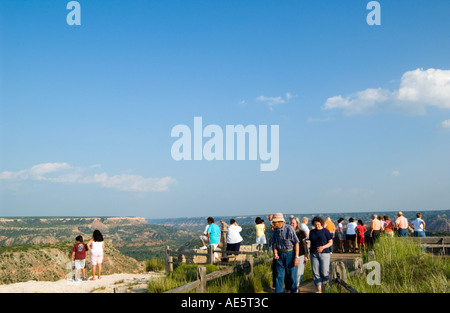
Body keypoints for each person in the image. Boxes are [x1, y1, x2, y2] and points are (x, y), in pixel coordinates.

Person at [271, 213, 300, 293]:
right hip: (280, 255)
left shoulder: (289, 228)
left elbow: (296, 243)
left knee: (292, 277)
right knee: (279, 277)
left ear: (279, 222)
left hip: (290, 254)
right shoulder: (275, 231)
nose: (273, 224)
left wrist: (296, 257)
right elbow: (274, 243)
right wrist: (275, 253)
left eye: (274, 222)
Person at [309, 216, 333, 293]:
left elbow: (330, 242)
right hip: (314, 254)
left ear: (321, 223)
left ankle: (326, 289)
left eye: (318, 224)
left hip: (324, 253)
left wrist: (323, 247)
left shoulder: (325, 231)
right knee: (315, 272)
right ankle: (319, 290)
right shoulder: (312, 232)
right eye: (315, 224)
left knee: (324, 272)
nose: (317, 226)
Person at [290, 217, 309, 289]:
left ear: (297, 224)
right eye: (291, 223)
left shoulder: (301, 232)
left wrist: (306, 255)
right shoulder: (289, 232)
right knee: (292, 272)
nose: (292, 224)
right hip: (291, 254)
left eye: (293, 223)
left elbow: (304, 244)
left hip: (301, 254)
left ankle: (297, 287)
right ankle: (294, 286)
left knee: (299, 272)